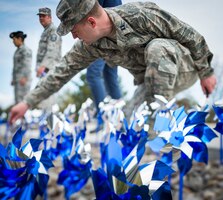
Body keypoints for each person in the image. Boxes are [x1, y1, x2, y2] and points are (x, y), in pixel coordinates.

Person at [9, 0, 216, 124]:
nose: (74, 37)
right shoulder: (89, 45)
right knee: (124, 126)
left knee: (158, 48)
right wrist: (27, 103)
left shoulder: (141, 14)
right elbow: (62, 71)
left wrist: (206, 72)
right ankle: (149, 126)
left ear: (91, 22)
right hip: (150, 83)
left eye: (75, 31)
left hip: (184, 69)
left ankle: (158, 124)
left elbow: (190, 35)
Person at [86, 0, 122, 114]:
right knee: (110, 76)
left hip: (102, 37)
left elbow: (91, 12)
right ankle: (119, 119)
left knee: (93, 74)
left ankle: (104, 117)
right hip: (117, 36)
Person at [36, 7, 62, 111]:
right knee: (44, 93)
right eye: (40, 16)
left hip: (49, 67)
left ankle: (50, 121)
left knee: (48, 94)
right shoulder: (46, 31)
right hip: (45, 68)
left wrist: (43, 66)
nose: (41, 18)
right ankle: (47, 120)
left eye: (43, 16)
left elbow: (52, 50)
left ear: (50, 17)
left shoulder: (53, 30)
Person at [9, 31, 32, 104]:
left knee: (23, 102)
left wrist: (25, 77)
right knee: (18, 101)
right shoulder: (17, 51)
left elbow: (27, 64)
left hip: (23, 80)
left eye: (14, 40)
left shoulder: (25, 50)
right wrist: (13, 79)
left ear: (19, 39)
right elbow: (16, 67)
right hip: (18, 81)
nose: (13, 42)